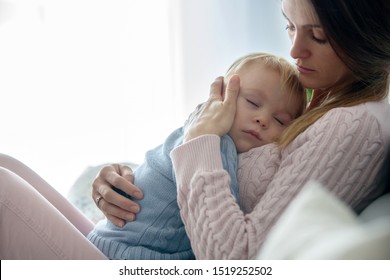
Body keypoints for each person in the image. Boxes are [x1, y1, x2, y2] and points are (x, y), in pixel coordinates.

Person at [92, 0, 390, 259]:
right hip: (128, 235)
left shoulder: (352, 126)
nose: (295, 50)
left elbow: (241, 260)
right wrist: (128, 181)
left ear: (367, 36)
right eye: (290, 25)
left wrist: (199, 139)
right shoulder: (319, 95)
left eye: (318, 36)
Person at [0, 52, 305, 259]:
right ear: (220, 97)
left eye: (280, 121)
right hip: (120, 249)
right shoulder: (211, 141)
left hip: (119, 252)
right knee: (6, 164)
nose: (263, 119)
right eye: (252, 102)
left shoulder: (210, 141)